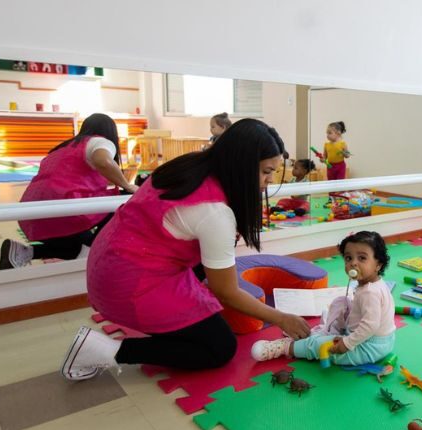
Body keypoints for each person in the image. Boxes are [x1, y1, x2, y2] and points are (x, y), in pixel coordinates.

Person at [60, 119, 311, 381]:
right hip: (127, 283)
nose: (268, 182)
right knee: (219, 348)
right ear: (241, 164)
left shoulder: (192, 165)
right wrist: (282, 318)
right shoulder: (215, 213)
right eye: (266, 172)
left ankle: (177, 316)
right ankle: (103, 350)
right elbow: (226, 292)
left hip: (108, 258)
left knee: (212, 276)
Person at [0, 113, 138, 270]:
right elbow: (103, 161)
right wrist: (127, 185)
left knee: (76, 247)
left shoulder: (63, 147)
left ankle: (22, 251)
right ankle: (95, 252)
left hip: (32, 213)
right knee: (125, 199)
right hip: (64, 208)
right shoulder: (100, 141)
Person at [251, 231, 396, 366]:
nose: (353, 263)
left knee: (321, 347)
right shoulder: (373, 285)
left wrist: (347, 343)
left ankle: (286, 347)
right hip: (375, 339)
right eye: (348, 258)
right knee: (342, 301)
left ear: (378, 264)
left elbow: (370, 326)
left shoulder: (370, 293)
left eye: (362, 258)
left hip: (368, 346)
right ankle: (327, 331)